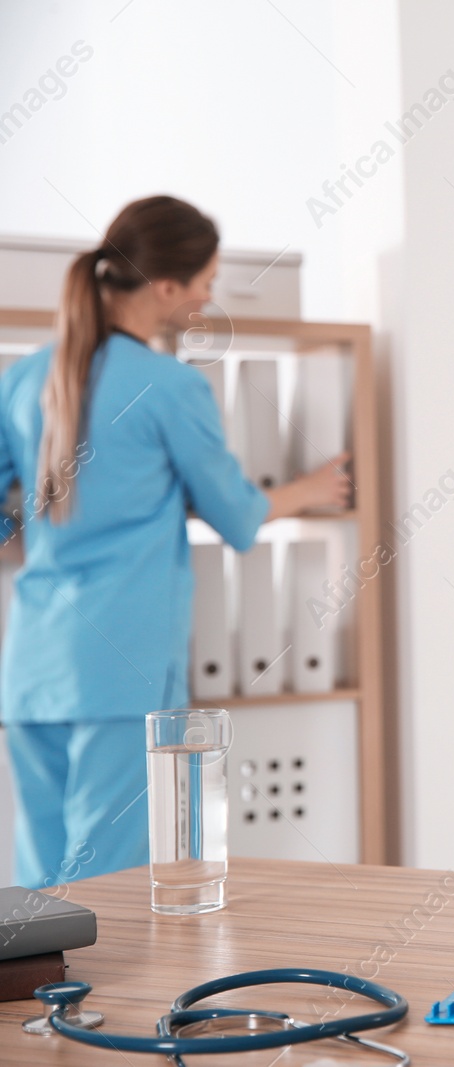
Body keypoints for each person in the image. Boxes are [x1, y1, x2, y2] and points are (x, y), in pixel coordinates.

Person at [0, 195, 350, 888]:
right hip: (117, 666)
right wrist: (308, 491)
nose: (206, 296)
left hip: (32, 669)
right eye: (205, 281)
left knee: (39, 894)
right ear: (164, 287)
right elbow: (238, 514)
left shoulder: (23, 379)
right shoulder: (167, 387)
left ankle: (44, 1002)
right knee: (109, 884)